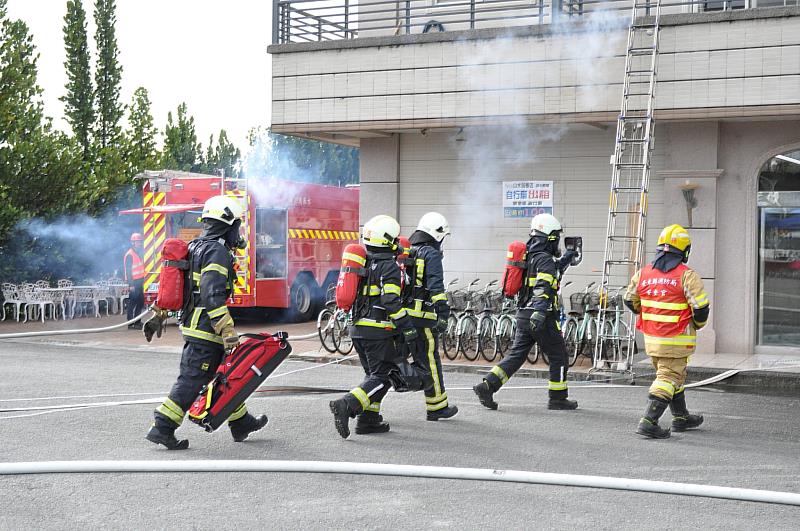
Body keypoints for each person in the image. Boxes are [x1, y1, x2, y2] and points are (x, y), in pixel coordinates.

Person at [144, 195, 268, 450]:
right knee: (192, 379)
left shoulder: (196, 246)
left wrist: (159, 314)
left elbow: (185, 289)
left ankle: (241, 421)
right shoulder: (217, 251)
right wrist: (227, 330)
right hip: (206, 330)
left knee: (227, 375)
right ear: (228, 225)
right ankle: (162, 427)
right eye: (237, 226)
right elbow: (211, 293)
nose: (239, 232)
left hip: (195, 325)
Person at [473, 213, 579, 411]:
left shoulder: (529, 256)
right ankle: (558, 398)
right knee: (559, 356)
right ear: (549, 237)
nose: (557, 241)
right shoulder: (545, 259)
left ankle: (487, 385)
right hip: (542, 317)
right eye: (556, 237)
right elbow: (542, 287)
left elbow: (551, 273)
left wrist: (566, 259)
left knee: (516, 355)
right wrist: (540, 312)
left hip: (523, 315)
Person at [329, 215, 420, 439]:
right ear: (387, 239)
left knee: (373, 376)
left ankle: (368, 420)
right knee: (385, 376)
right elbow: (390, 300)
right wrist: (406, 327)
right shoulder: (388, 266)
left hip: (358, 329)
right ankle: (347, 405)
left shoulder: (365, 262)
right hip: (377, 331)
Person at [624, 224, 710, 439]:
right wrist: (698, 325)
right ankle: (648, 421)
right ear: (684, 250)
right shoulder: (686, 275)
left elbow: (629, 299)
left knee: (673, 375)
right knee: (668, 377)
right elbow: (700, 308)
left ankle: (681, 417)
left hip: (652, 339)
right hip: (677, 338)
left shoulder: (643, 273)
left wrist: (649, 312)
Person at [403, 212, 458, 421]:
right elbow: (436, 288)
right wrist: (442, 314)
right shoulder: (430, 254)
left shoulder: (408, 249)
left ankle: (370, 410)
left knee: (393, 362)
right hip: (423, 318)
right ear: (436, 234)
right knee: (430, 361)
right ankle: (437, 407)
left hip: (403, 317)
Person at [123, 233, 146, 329]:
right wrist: (131, 285)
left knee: (140, 302)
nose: (139, 243)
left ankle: (137, 322)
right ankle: (130, 324)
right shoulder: (130, 254)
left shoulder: (137, 253)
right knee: (132, 302)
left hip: (139, 282)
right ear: (133, 242)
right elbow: (128, 271)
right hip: (134, 282)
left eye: (140, 241)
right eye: (138, 241)